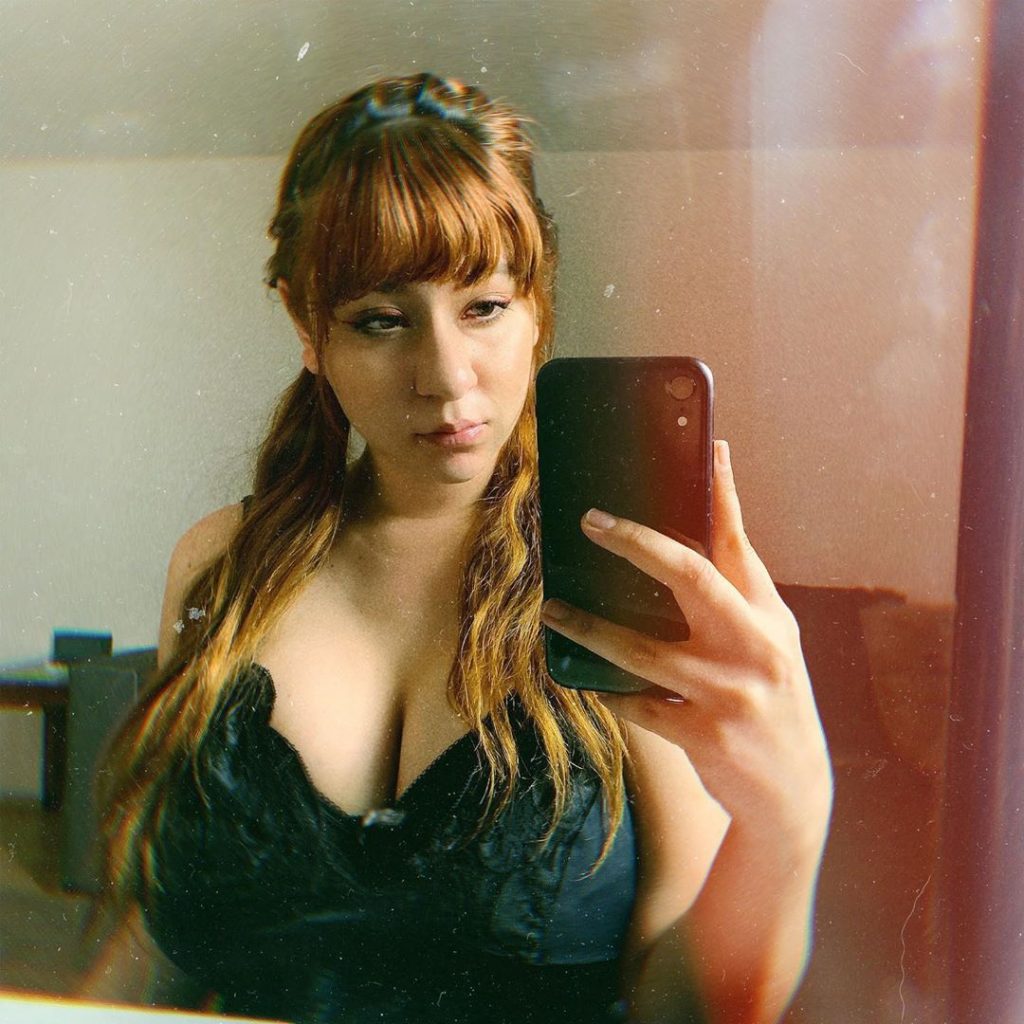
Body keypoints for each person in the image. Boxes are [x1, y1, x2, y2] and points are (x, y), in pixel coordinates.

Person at [87, 73, 832, 1024]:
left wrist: (789, 820)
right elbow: (160, 941)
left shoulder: (623, 580)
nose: (445, 378)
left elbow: (682, 1007)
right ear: (305, 326)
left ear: (537, 308)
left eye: (483, 306)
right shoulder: (218, 568)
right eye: (381, 320)